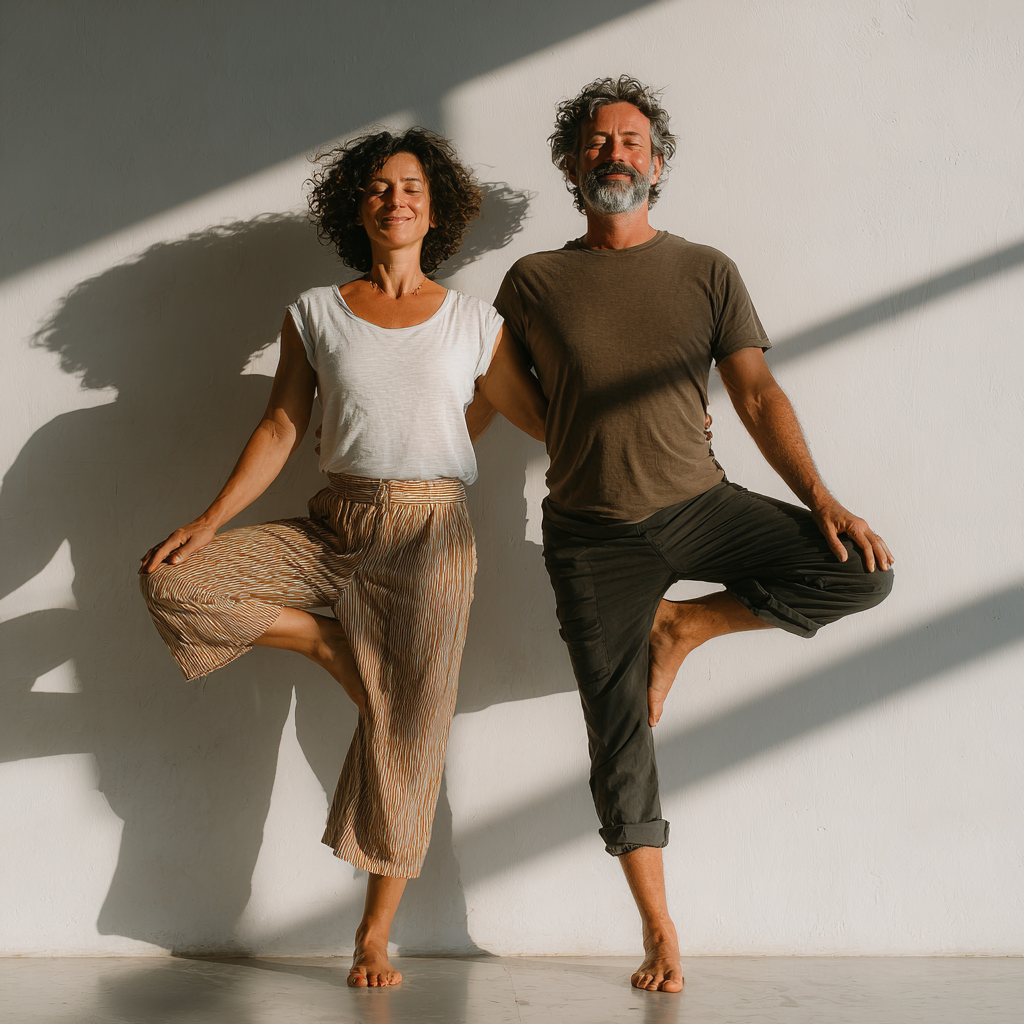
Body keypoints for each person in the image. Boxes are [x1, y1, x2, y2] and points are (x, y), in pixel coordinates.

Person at [489, 76, 895, 993]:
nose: (615, 153)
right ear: (570, 163)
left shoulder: (706, 269)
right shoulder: (534, 281)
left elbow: (755, 394)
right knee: (617, 730)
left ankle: (688, 627)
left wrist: (822, 497)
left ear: (658, 164)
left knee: (859, 573)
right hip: (592, 536)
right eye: (597, 142)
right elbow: (496, 389)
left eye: (631, 140)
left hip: (702, 505)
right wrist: (562, 429)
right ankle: (661, 930)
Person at [138, 129, 546, 988]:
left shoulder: (476, 321)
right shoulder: (317, 312)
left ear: (436, 209)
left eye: (411, 187)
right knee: (176, 581)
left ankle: (373, 935)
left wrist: (650, 429)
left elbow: (544, 418)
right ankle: (329, 644)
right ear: (354, 206)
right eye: (377, 187)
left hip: (433, 534)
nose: (395, 199)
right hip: (337, 523)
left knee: (410, 736)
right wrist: (211, 520)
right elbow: (283, 426)